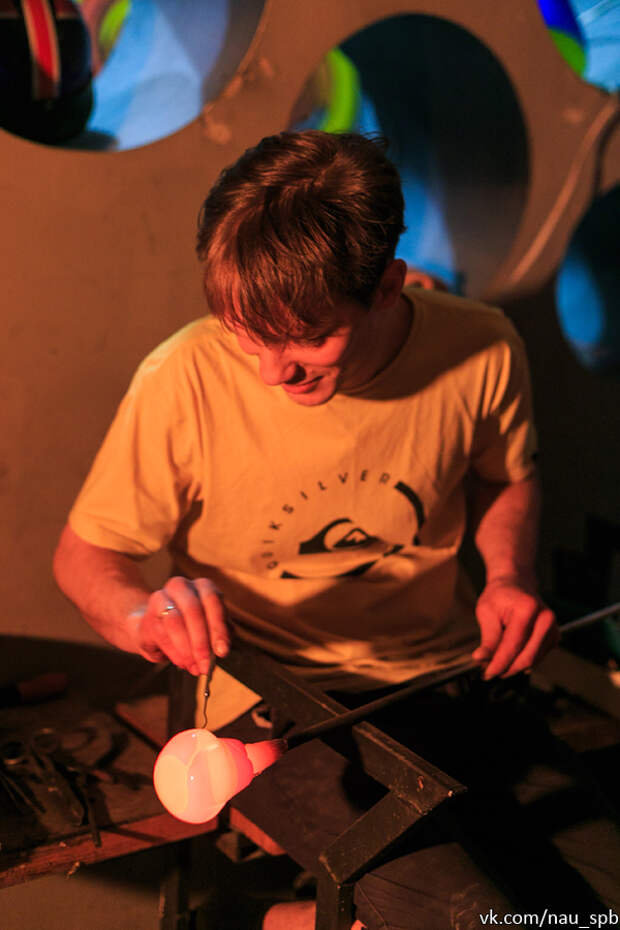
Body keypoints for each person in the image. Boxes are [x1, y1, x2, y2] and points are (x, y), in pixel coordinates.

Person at [53, 131, 619, 929]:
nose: (270, 371)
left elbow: (505, 477)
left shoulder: (482, 347)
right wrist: (144, 614)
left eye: (307, 337)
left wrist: (508, 578)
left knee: (602, 905)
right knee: (467, 919)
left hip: (444, 677)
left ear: (387, 286)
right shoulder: (183, 378)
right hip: (269, 701)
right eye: (247, 332)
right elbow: (87, 555)